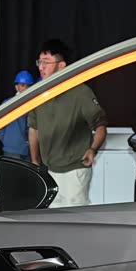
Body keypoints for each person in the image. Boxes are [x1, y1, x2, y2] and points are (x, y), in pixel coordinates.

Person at [28, 39, 108, 207]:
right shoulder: (38, 94)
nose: (41, 67)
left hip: (75, 170)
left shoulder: (81, 92)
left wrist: (93, 149)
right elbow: (33, 129)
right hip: (50, 170)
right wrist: (35, 160)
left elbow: (100, 125)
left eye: (46, 62)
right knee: (52, 217)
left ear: (62, 65)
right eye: (39, 62)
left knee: (74, 217)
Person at [0, 70, 34, 161]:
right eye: (23, 85)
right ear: (16, 87)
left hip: (28, 150)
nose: (25, 88)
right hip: (11, 150)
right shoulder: (7, 103)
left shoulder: (33, 104)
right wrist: (7, 141)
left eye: (28, 86)